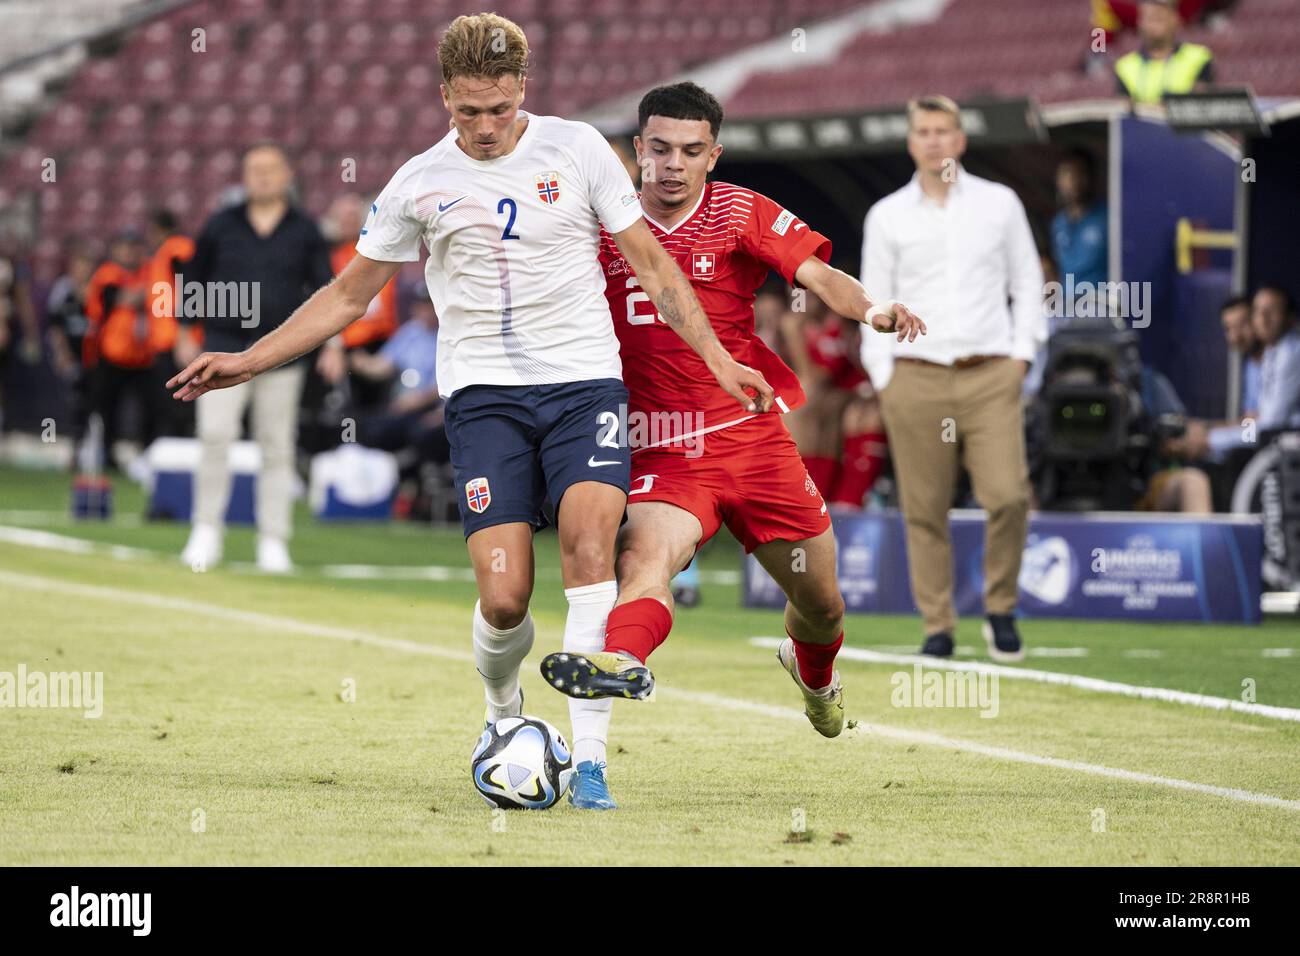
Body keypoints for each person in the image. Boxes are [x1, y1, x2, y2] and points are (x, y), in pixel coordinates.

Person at [168, 14, 771, 809]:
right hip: (484, 399)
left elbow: (654, 266)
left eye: (497, 109)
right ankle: (503, 720)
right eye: (467, 113)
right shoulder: (419, 180)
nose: (484, 129)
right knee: (504, 597)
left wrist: (721, 359)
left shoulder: (580, 149)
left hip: (585, 385)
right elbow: (349, 294)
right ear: (444, 95)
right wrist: (248, 359)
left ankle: (590, 764)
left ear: (522, 89)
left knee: (592, 549)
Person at [537, 82, 924, 804]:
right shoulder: (596, 224)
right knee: (644, 558)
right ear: (635, 153)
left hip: (750, 438)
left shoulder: (740, 210)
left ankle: (813, 674)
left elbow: (815, 275)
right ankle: (621, 659)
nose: (673, 165)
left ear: (713, 155)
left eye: (690, 151)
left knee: (824, 604)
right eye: (658, 150)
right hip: (658, 448)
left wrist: (871, 308)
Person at [861, 94, 1046, 662]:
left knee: (1008, 496)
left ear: (960, 140)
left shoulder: (1000, 203)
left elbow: (1027, 281)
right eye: (924, 131)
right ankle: (938, 625)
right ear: (911, 141)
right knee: (924, 507)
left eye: (944, 130)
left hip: (989, 372)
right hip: (914, 376)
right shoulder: (887, 214)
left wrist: (1021, 356)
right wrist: (883, 372)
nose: (935, 140)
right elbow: (873, 301)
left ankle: (1000, 606)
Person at [178, 142, 334, 573]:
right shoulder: (220, 224)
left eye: (270, 169)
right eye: (254, 170)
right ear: (243, 177)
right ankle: (206, 531)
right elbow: (192, 277)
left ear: (288, 175)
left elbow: (330, 290)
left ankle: (273, 540)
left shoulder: (305, 229)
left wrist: (333, 346)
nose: (262, 177)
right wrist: (182, 332)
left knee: (277, 446)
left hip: (283, 354)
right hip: (222, 346)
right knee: (214, 436)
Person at [1114, 0, 1215, 105]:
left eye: (1159, 17)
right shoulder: (1125, 66)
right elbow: (1123, 112)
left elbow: (1201, 107)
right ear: (1140, 22)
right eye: (1149, 18)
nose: (1154, 24)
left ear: (1175, 19)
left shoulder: (1199, 57)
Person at [1050, 149, 1108, 292]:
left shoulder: (1109, 218)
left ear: (1092, 177)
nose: (1073, 181)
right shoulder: (1058, 224)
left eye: (1080, 173)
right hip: (1067, 307)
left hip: (1101, 304)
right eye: (1067, 174)